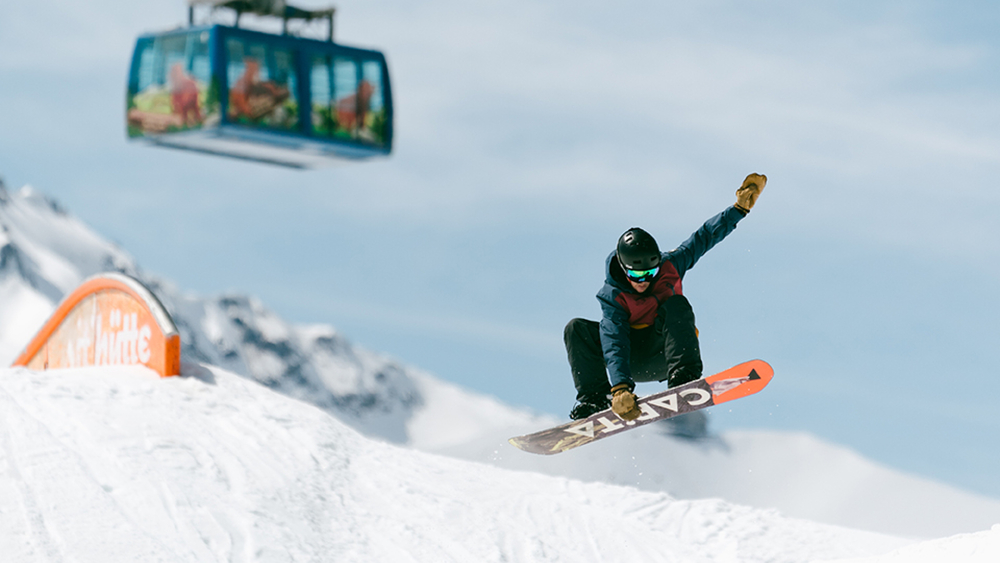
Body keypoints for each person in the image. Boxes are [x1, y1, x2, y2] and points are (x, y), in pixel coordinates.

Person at [565, 173, 766, 421]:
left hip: (667, 353)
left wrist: (738, 210)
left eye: (650, 272)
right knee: (576, 329)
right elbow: (614, 340)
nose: (644, 281)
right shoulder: (613, 296)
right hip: (631, 360)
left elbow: (704, 237)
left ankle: (684, 377)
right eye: (637, 276)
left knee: (676, 304)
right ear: (623, 269)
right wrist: (620, 388)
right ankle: (594, 398)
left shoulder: (672, 265)